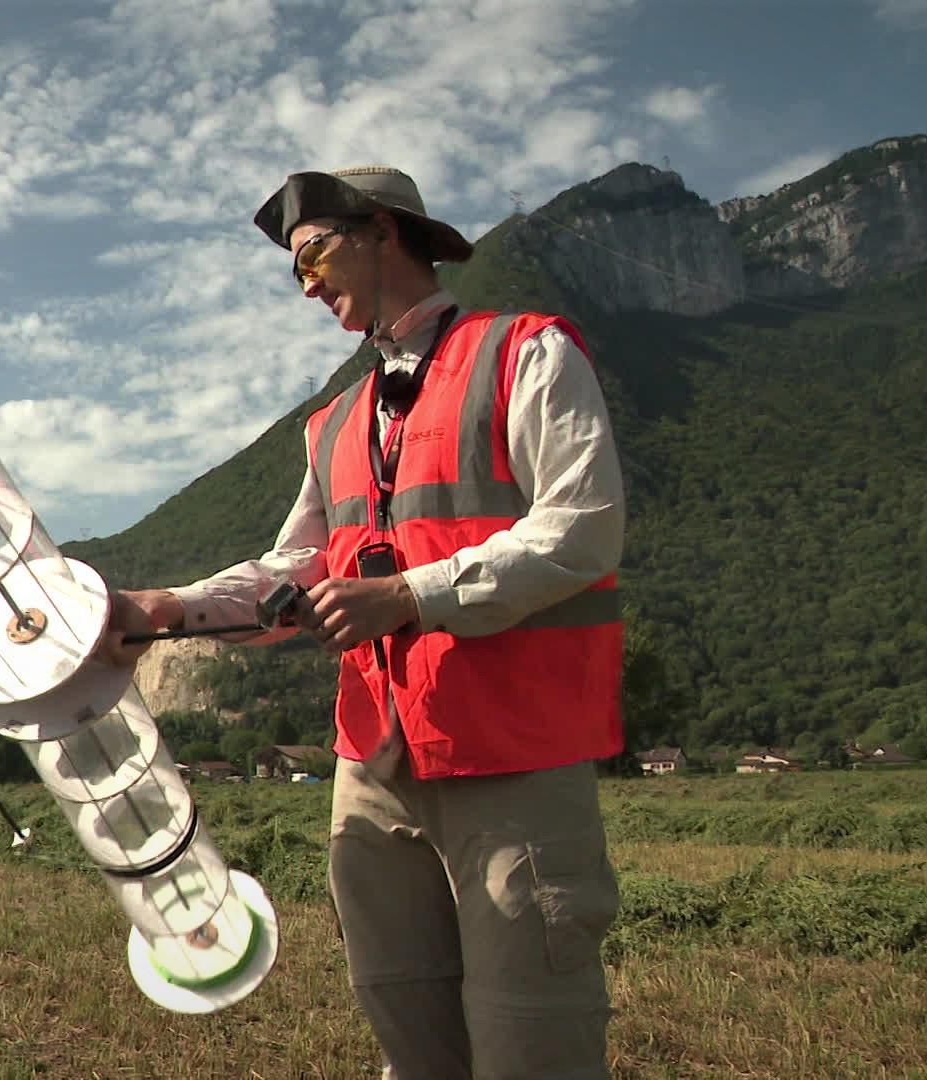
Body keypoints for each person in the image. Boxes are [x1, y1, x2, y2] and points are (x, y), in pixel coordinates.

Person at [106, 166, 625, 1079]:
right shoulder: (334, 423)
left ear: (383, 230)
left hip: (511, 756)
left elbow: (580, 531)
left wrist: (410, 594)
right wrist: (169, 608)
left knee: (530, 1033)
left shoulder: (527, 353)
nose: (303, 281)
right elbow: (292, 570)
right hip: (374, 765)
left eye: (313, 253)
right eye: (293, 267)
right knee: (404, 1024)